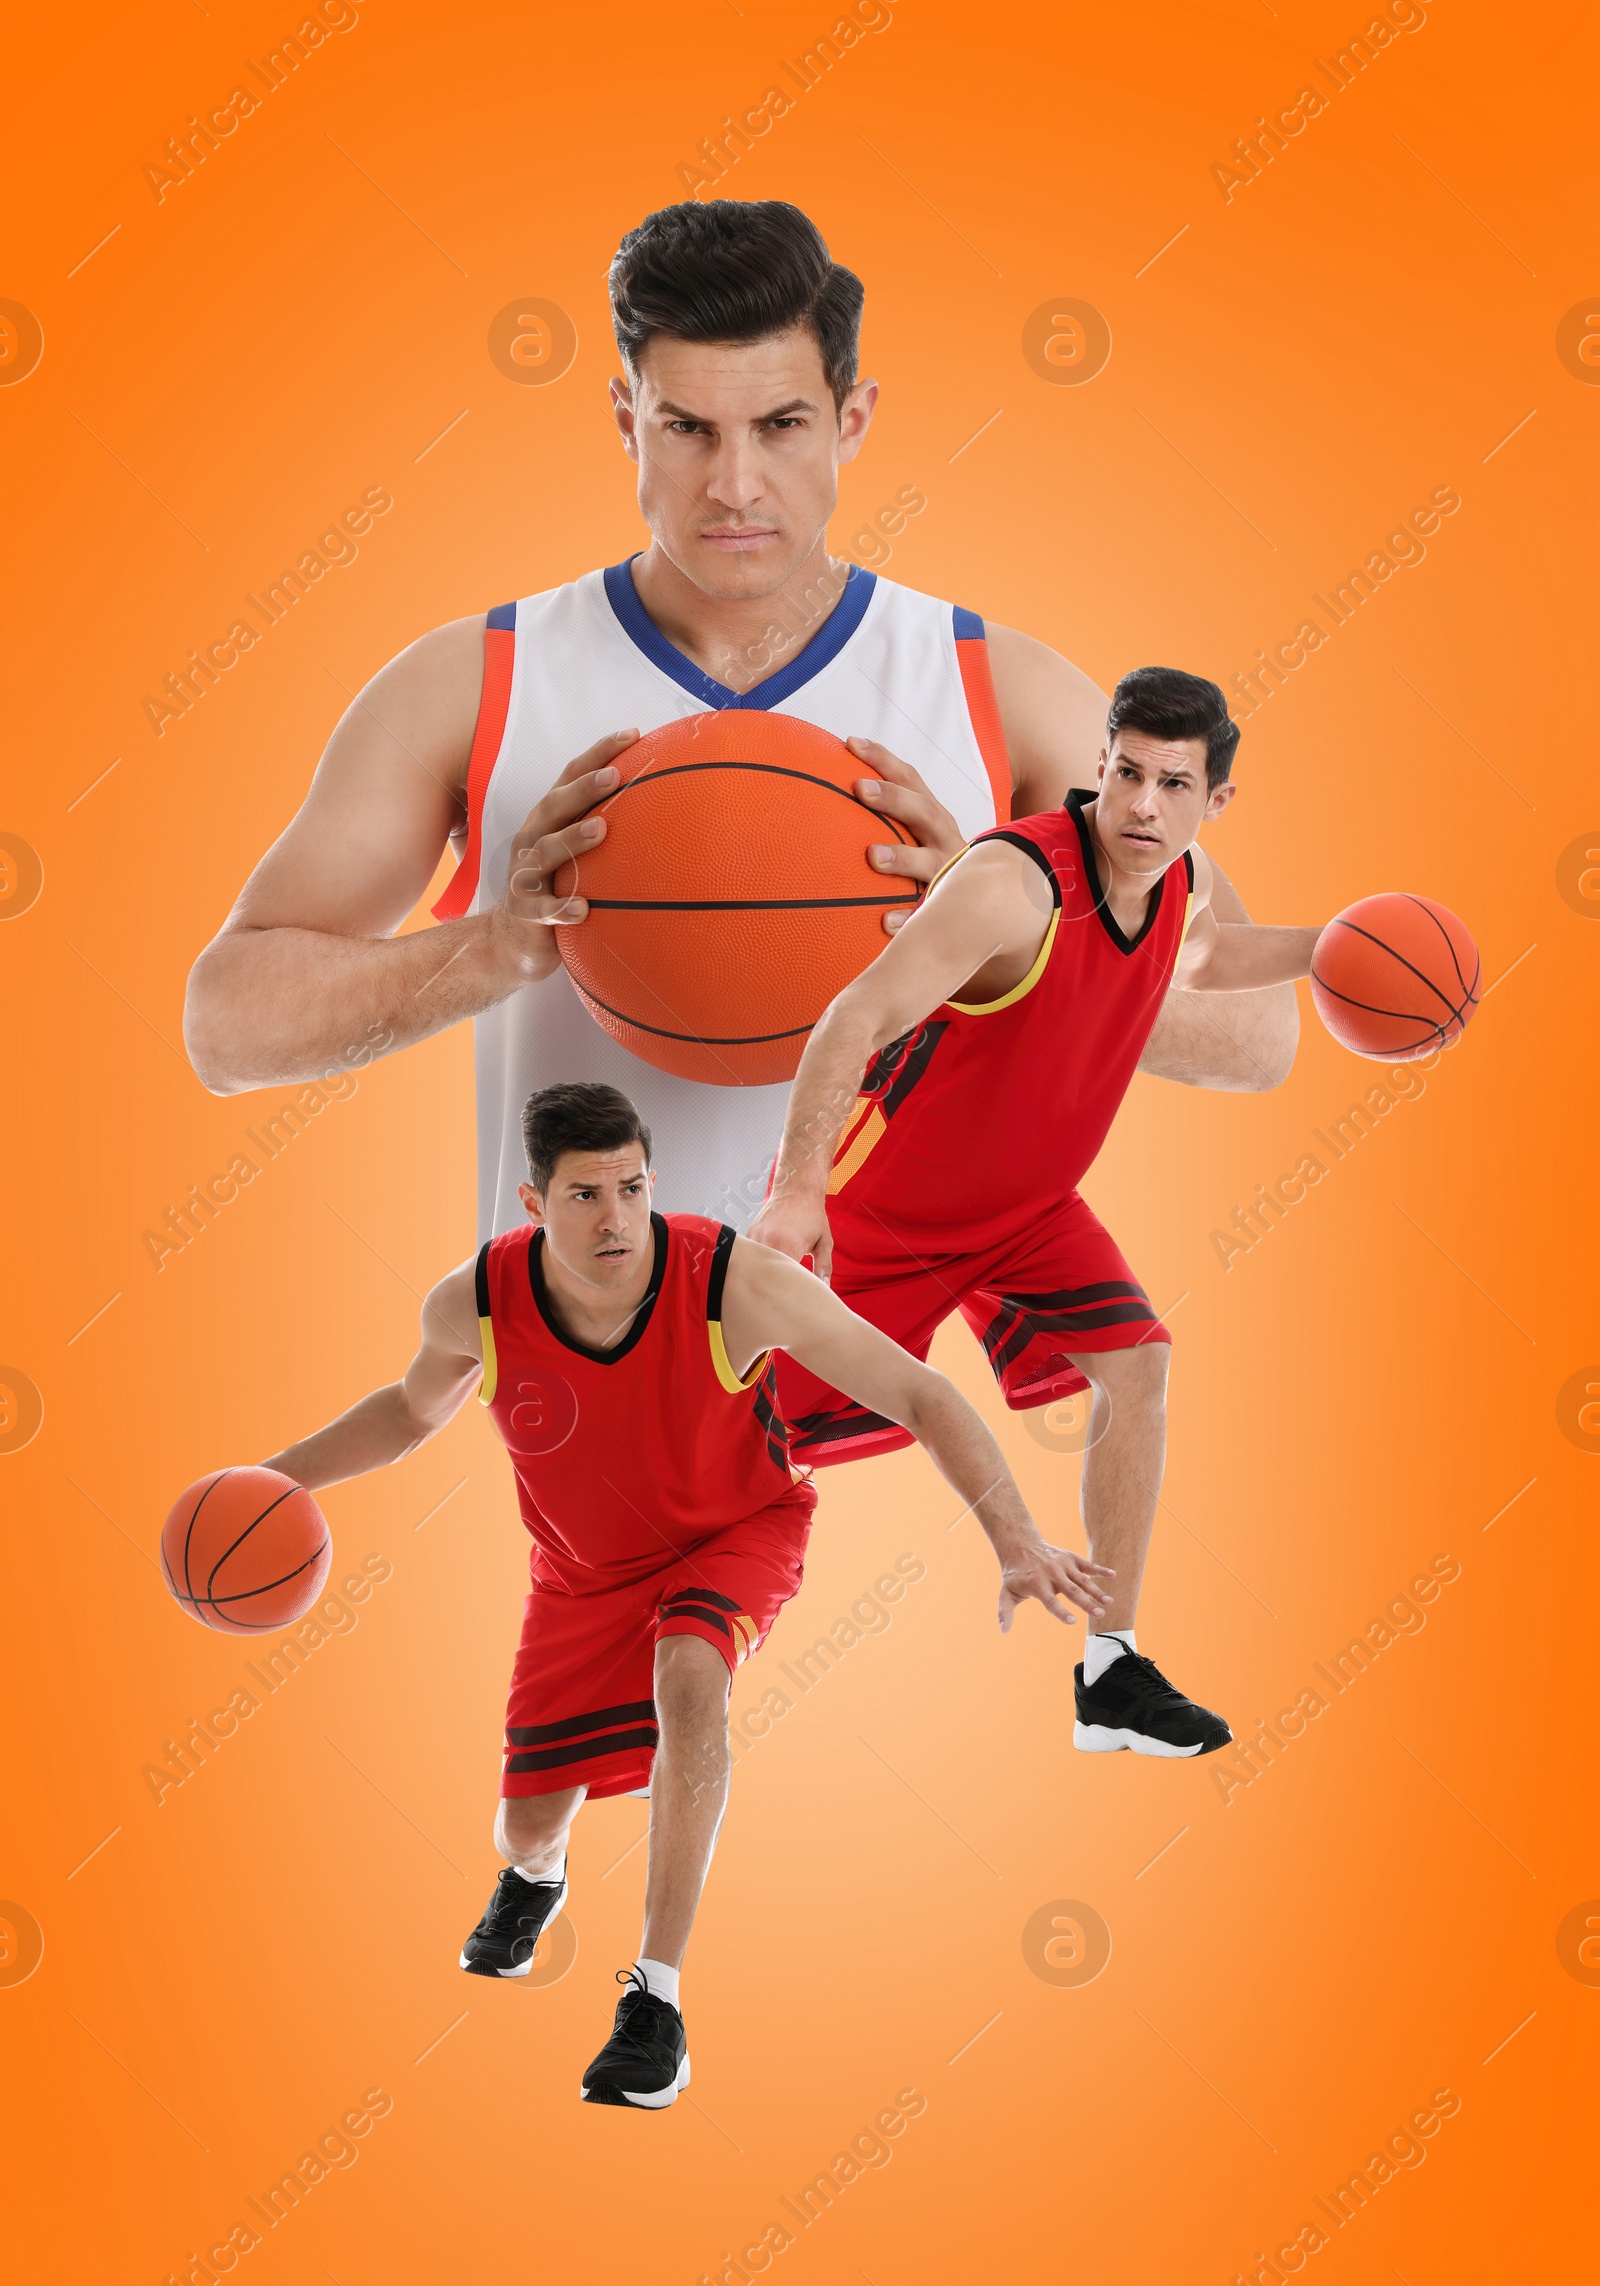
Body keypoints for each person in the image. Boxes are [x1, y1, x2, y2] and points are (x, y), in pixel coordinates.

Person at [183, 199, 1297, 1246]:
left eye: (779, 424)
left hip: (894, 1392)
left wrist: (1001, 951)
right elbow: (227, 1028)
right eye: (686, 428)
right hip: (589, 1393)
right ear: (626, 419)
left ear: (850, 420)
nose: (734, 484)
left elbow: (1254, 1036)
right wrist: (492, 946)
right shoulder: (475, 681)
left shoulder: (997, 688)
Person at [260, 1082, 1111, 2108]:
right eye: (583, 1196)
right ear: (532, 1205)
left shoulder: (731, 1284)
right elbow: (405, 1413)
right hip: (579, 1577)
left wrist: (1015, 1540)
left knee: (690, 1681)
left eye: (631, 1187)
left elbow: (922, 1395)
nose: (615, 1217)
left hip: (733, 1534)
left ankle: (653, 2002)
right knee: (526, 1822)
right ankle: (535, 1880)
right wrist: (274, 1482)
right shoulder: (475, 1303)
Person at [748, 667, 1331, 1759]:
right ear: (1099, 765)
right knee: (750, 1450)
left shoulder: (1178, 877)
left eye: (1173, 784)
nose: (1143, 807)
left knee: (1142, 1365)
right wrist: (795, 1190)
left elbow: (1199, 959)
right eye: (1125, 774)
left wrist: (1330, 945)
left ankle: (1110, 1671)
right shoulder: (1012, 885)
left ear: (1215, 802)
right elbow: (854, 1014)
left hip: (1028, 1212)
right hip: (886, 1210)